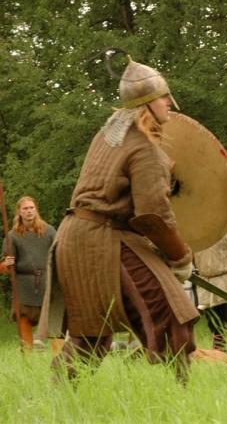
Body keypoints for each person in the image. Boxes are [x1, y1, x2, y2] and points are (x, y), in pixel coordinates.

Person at [48, 56, 199, 381]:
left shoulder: (107, 136)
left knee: (90, 335)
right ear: (147, 103)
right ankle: (182, 396)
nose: (169, 103)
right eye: (163, 97)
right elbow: (152, 215)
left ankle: (58, 400)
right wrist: (180, 256)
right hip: (103, 239)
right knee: (173, 315)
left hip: (72, 238)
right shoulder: (144, 148)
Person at [1, 196, 56, 351]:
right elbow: (4, 267)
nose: (29, 211)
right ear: (19, 212)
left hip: (47, 283)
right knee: (24, 322)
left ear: (36, 209)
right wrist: (7, 264)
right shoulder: (12, 236)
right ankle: (27, 360)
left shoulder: (49, 231)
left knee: (54, 323)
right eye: (25, 208)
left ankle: (60, 360)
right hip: (24, 286)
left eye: (31, 208)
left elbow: (59, 252)